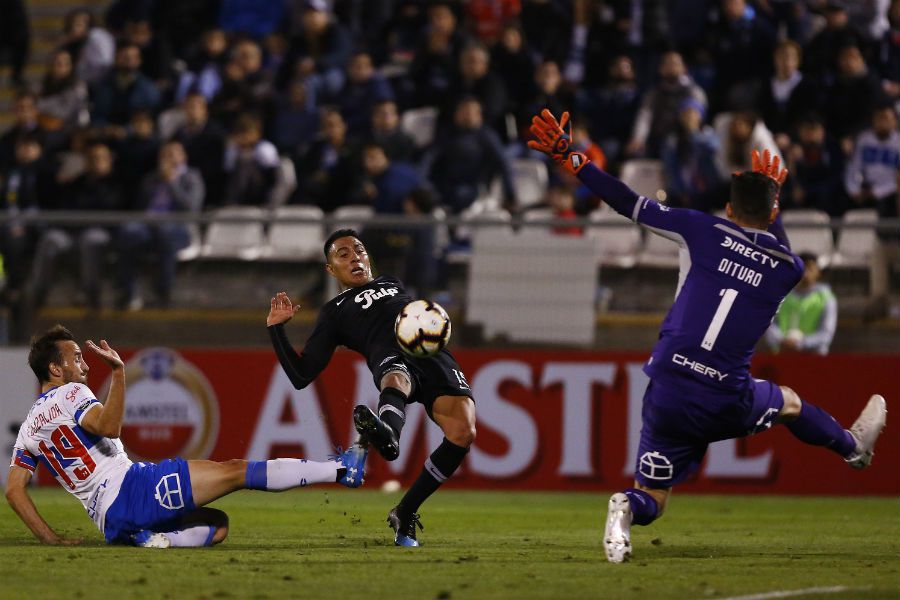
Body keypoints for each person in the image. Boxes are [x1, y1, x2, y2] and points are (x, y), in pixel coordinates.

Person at [527, 108, 887, 563]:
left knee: (652, 499)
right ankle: (853, 449)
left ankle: (623, 511)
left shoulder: (699, 228)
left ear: (730, 210)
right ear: (774, 212)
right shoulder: (789, 268)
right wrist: (773, 209)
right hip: (726, 395)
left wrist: (570, 156)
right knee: (791, 403)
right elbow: (776, 248)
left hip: (669, 387)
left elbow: (625, 200)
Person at [6, 325, 367, 547]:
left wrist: (49, 539)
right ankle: (340, 471)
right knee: (236, 471)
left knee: (217, 525)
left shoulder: (29, 428)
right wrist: (118, 373)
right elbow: (109, 428)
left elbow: (14, 490)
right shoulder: (72, 394)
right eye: (76, 358)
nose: (84, 365)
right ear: (55, 369)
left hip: (109, 521)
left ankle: (151, 540)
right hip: (132, 488)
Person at [266, 230, 476, 547]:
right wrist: (276, 330)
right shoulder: (334, 311)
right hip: (391, 356)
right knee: (396, 377)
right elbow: (301, 375)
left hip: (432, 354)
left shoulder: (393, 282)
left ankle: (405, 511)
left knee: (464, 431)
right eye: (343, 254)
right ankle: (388, 434)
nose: (354, 257)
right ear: (331, 269)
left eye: (359, 250)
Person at [765, 253, 837, 355]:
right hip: (783, 356)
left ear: (819, 272)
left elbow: (826, 334)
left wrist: (801, 343)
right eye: (802, 268)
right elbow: (769, 324)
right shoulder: (781, 294)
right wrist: (781, 340)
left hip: (814, 358)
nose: (806, 273)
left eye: (810, 268)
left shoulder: (826, 298)